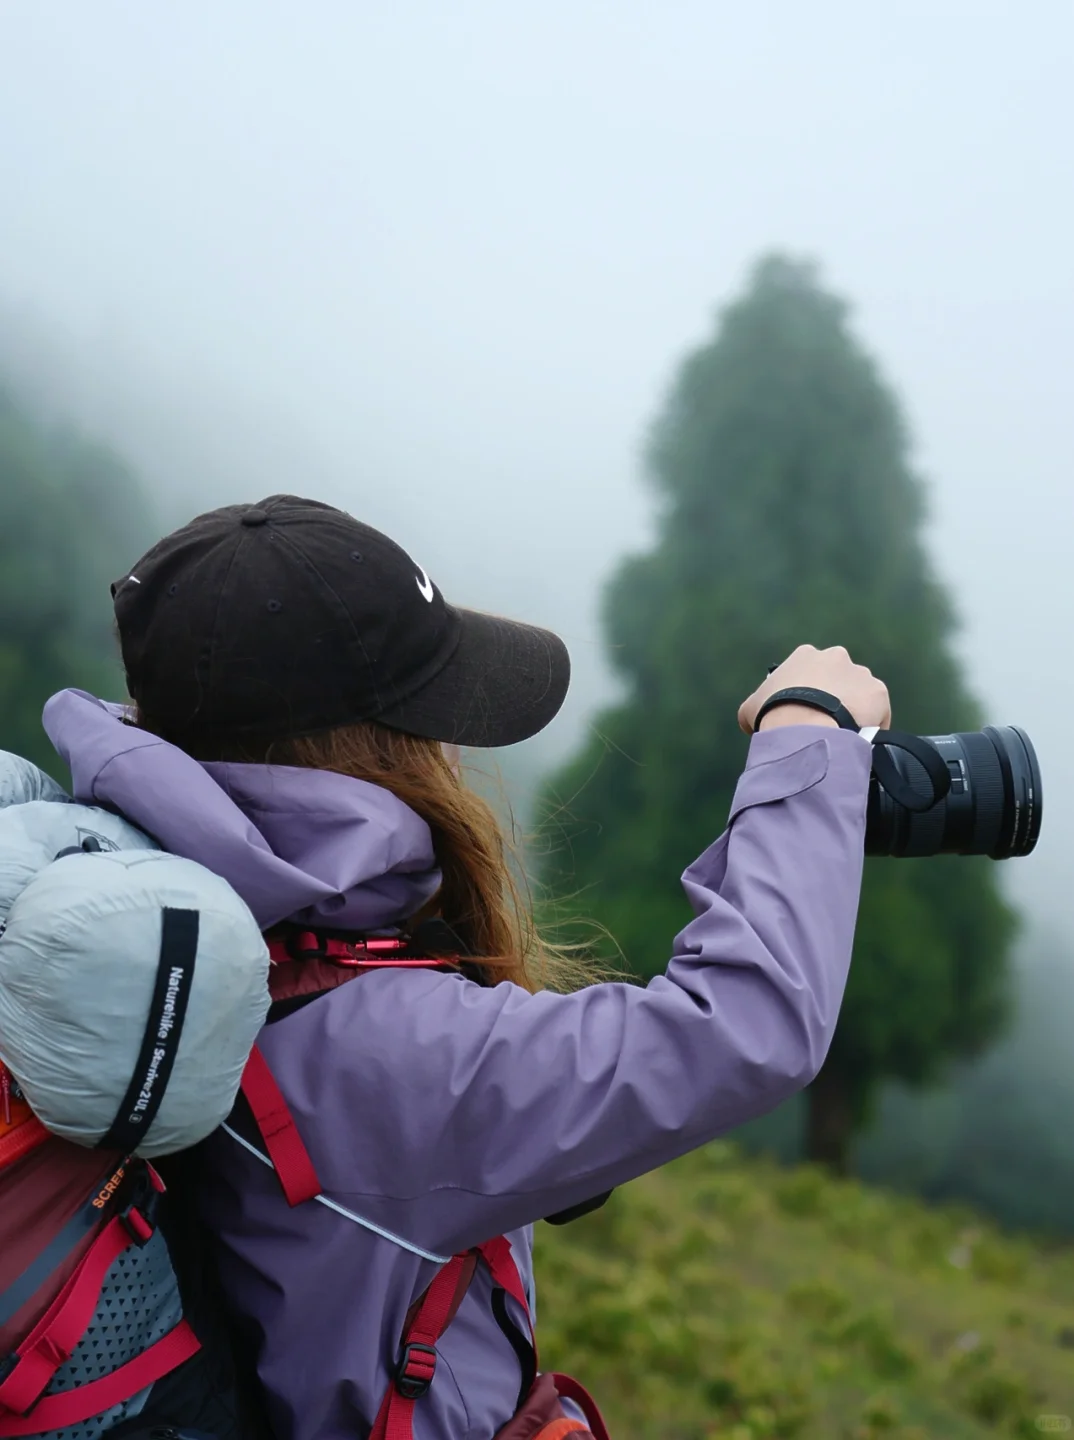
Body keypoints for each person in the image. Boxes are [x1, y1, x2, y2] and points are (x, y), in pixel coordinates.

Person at [45, 494, 889, 1440]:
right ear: (382, 754)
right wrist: (808, 743)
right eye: (433, 716)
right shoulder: (387, 1053)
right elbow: (748, 1024)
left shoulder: (145, 928)